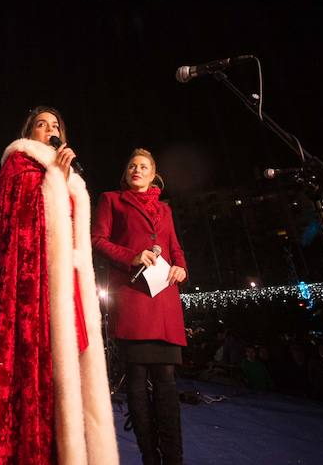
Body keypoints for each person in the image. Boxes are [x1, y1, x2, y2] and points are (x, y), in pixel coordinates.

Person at [0, 107, 117, 465]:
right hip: (29, 290)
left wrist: (61, 177)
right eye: (42, 125)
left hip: (66, 289)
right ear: (30, 132)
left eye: (56, 125)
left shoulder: (70, 179)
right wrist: (54, 177)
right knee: (32, 373)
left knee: (67, 374)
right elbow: (14, 222)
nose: (50, 130)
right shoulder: (18, 165)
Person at [91, 149, 188, 465]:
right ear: (126, 172)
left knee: (167, 382)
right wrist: (131, 255)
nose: (137, 169)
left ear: (153, 173)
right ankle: (150, 457)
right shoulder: (111, 200)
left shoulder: (165, 209)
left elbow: (175, 249)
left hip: (165, 301)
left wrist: (182, 268)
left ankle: (173, 458)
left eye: (143, 166)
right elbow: (98, 240)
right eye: (132, 164)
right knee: (136, 380)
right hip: (132, 296)